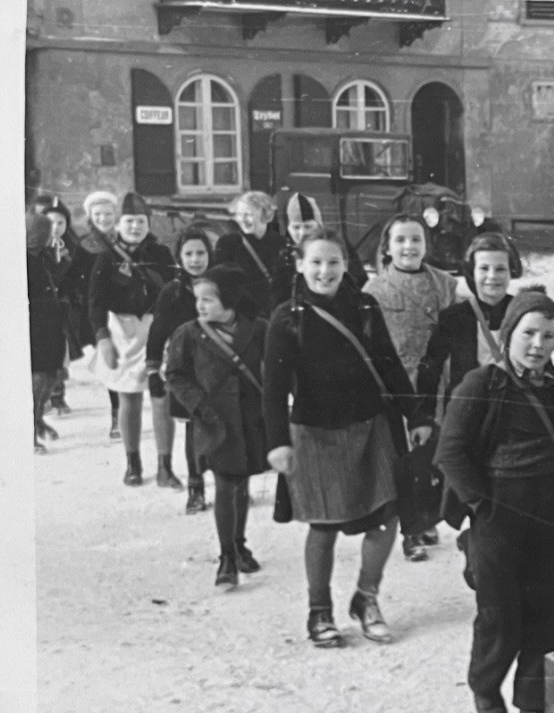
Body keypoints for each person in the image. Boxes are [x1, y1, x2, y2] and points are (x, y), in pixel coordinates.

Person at [263, 231, 434, 647]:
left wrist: (416, 412)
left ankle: (366, 597)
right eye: (316, 262)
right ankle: (319, 610)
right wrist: (277, 442)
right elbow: (272, 388)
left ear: (346, 265)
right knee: (324, 526)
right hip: (315, 433)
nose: (325, 271)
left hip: (370, 424)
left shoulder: (364, 306)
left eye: (334, 262)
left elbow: (389, 363)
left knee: (387, 515)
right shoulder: (287, 318)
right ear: (301, 266)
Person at [436, 287, 554, 713]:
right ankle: (485, 686)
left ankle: (533, 702)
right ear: (509, 334)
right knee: (500, 613)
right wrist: (483, 505)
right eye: (529, 333)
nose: (538, 345)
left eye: (549, 336)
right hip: (501, 511)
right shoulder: (482, 384)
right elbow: (451, 451)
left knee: (547, 610)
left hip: (552, 513)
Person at [165, 265, 270, 590]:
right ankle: (226, 557)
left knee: (241, 483)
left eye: (208, 299)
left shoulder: (259, 330)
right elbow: (175, 374)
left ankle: (239, 543)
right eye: (198, 299)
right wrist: (197, 404)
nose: (200, 306)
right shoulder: (189, 333)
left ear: (230, 300)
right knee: (226, 484)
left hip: (250, 420)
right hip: (215, 422)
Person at [363, 214, 459, 561]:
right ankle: (411, 530)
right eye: (401, 240)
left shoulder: (445, 284)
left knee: (435, 454)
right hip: (399, 388)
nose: (409, 247)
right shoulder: (374, 291)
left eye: (416, 239)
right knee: (406, 461)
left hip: (439, 383)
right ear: (387, 247)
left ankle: (429, 516)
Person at [87, 191, 174, 486]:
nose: (135, 227)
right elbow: (96, 303)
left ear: (148, 223)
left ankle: (165, 466)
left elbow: (173, 294)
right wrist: (103, 338)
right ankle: (133, 463)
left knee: (162, 398)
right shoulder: (105, 258)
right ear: (119, 224)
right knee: (129, 399)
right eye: (129, 221)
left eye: (140, 221)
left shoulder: (161, 255)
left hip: (156, 328)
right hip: (122, 331)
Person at [417, 232, 517, 423]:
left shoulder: (521, 312)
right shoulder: (454, 317)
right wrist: (424, 416)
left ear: (510, 271)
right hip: (465, 414)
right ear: (472, 272)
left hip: (510, 413)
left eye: (500, 269)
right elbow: (430, 367)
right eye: (484, 268)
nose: (492, 277)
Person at [144, 227, 212, 496]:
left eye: (201, 253)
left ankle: (231, 484)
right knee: (195, 427)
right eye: (189, 254)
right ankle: (196, 489)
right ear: (179, 257)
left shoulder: (222, 285)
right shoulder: (172, 292)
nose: (195, 259)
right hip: (187, 369)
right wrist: (152, 371)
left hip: (220, 366)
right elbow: (157, 333)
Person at [75, 190, 122, 438]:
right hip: (97, 314)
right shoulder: (84, 245)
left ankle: (123, 413)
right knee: (111, 365)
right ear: (91, 217)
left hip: (123, 312)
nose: (103, 219)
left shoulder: (124, 240)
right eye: (98, 215)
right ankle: (117, 416)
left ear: (116, 215)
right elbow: (71, 279)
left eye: (108, 214)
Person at [30, 193, 80, 415]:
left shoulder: (71, 245)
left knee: (60, 354)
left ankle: (58, 396)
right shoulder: (36, 250)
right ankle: (45, 399)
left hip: (61, 309)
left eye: (61, 222)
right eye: (50, 222)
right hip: (41, 310)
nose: (56, 227)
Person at [26, 213, 68, 453]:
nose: (40, 236)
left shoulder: (46, 255)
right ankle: (29, 431)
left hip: (52, 322)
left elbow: (58, 282)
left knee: (52, 375)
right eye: (36, 231)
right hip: (34, 325)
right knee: (37, 378)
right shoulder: (18, 259)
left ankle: (38, 419)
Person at [211, 190, 282, 317]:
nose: (242, 220)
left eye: (248, 214)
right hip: (243, 315)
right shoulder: (228, 243)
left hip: (273, 315)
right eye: (239, 215)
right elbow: (221, 284)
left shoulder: (280, 243)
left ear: (265, 213)